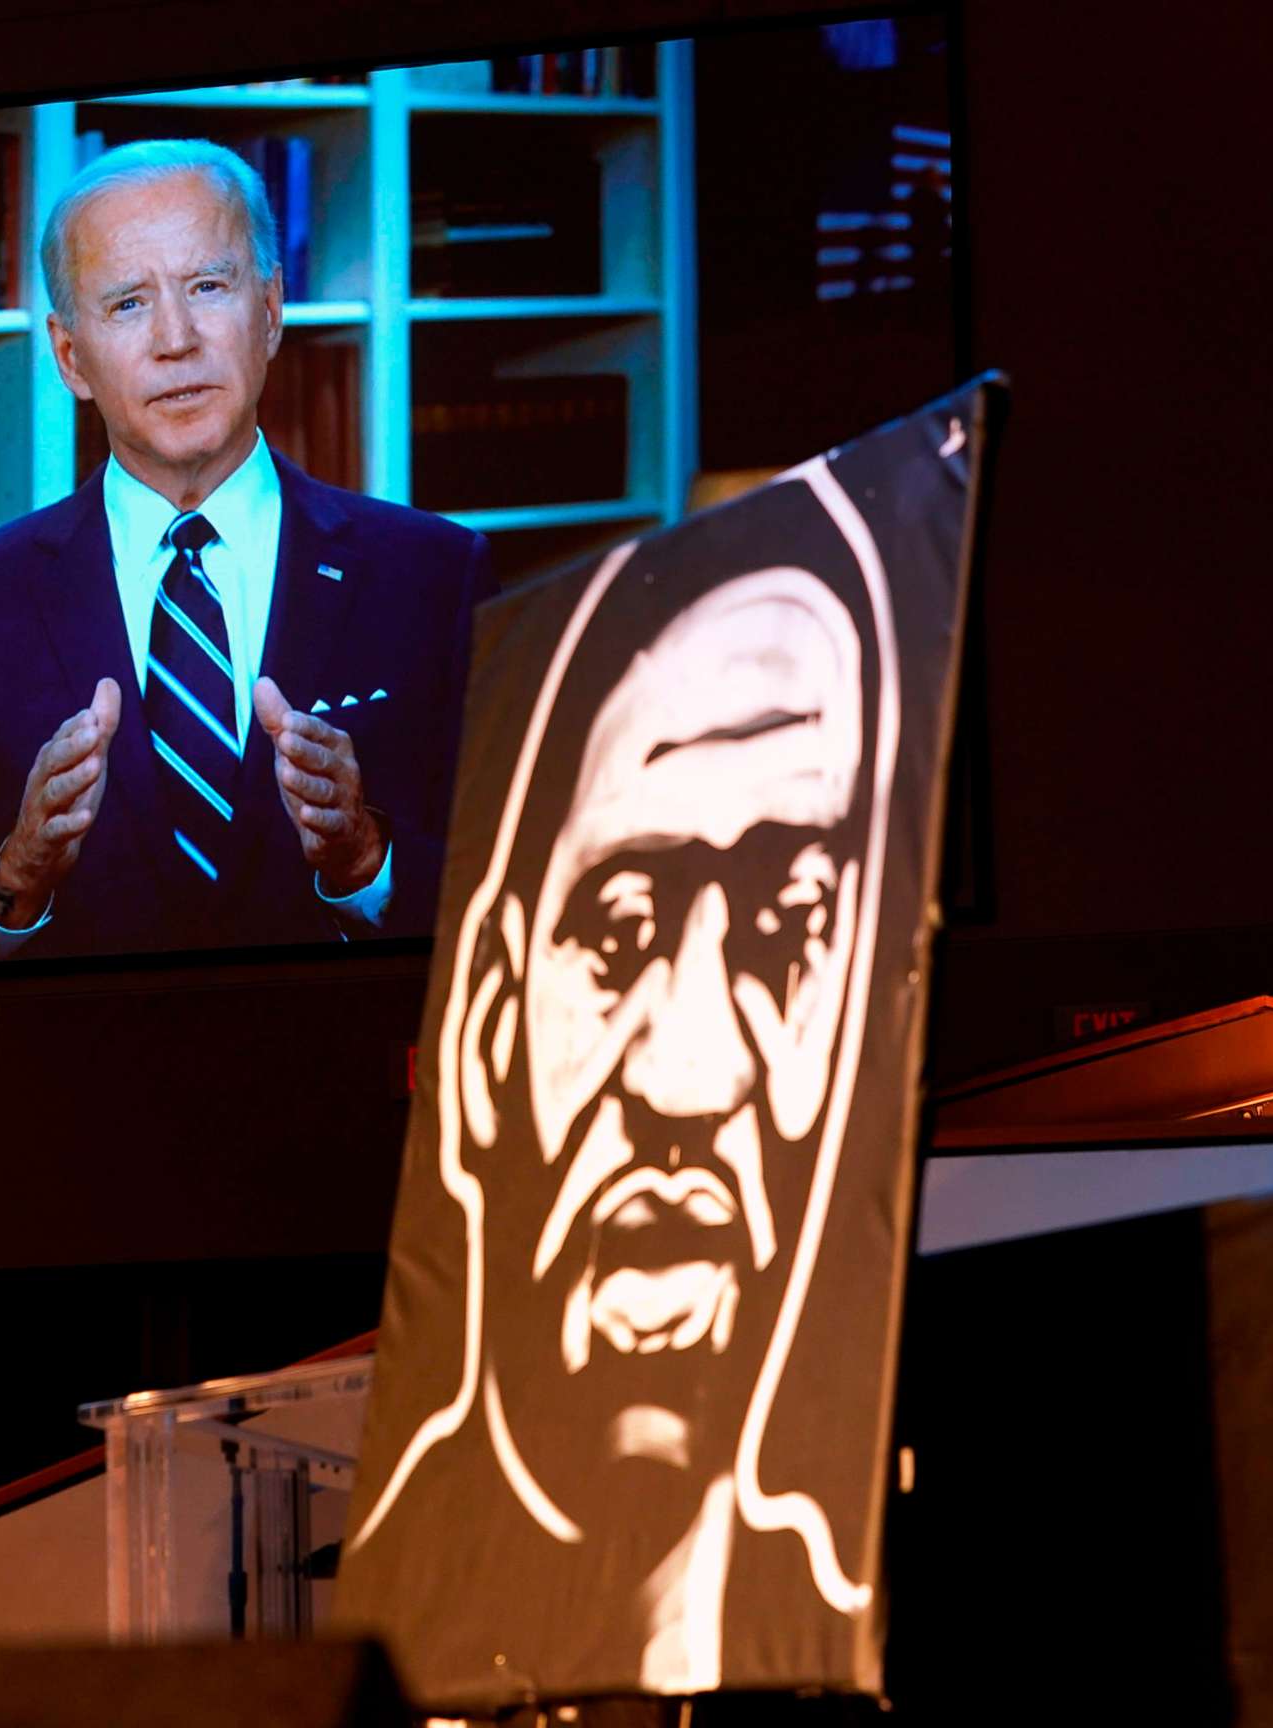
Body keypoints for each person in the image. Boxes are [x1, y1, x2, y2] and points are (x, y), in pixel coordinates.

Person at [343, 470, 908, 1697]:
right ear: (487, 1029)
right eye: (619, 929)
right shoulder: (357, 1646)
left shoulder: (844, 1610)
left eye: (787, 924)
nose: (691, 1070)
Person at [0, 139, 494, 955]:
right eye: (127, 304)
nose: (176, 339)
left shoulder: (433, 576)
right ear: (71, 358)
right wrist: (19, 876)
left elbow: (513, 903)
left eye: (208, 287)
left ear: (270, 311)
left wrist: (365, 859)